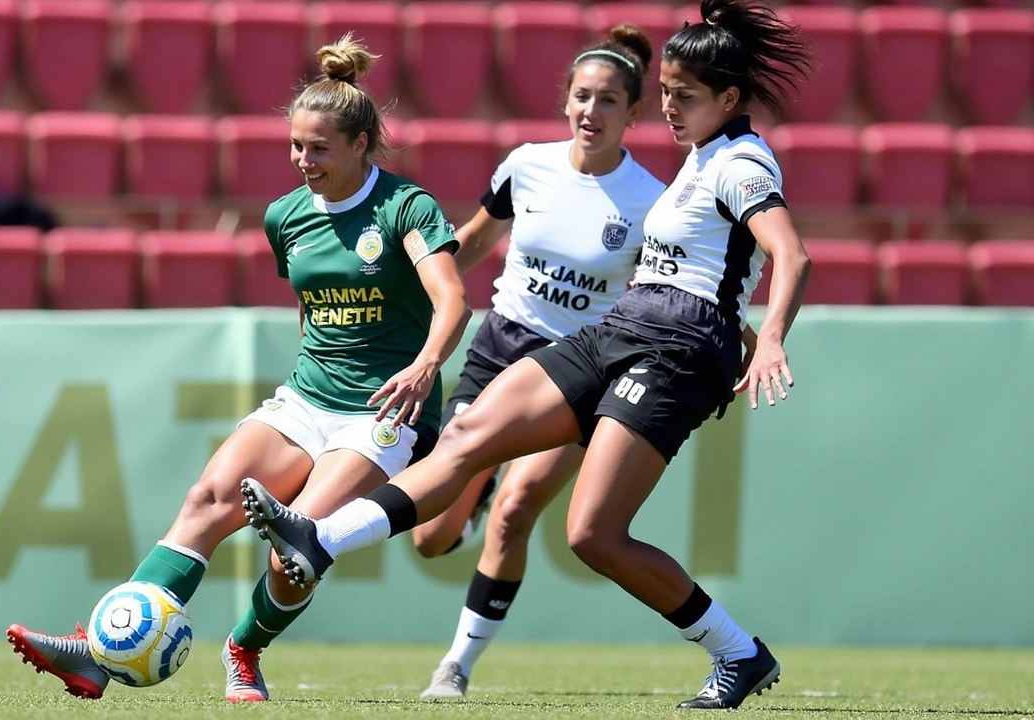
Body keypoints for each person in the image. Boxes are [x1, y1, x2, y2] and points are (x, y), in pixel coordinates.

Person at [240, 0, 813, 710]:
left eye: (682, 96)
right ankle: (318, 538)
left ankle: (738, 653)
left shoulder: (742, 161)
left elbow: (789, 252)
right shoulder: (694, 158)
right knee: (470, 437)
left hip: (678, 351)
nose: (667, 106)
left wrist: (770, 339)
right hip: (620, 328)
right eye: (664, 91)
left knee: (593, 536)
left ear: (729, 98)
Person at [4, 34, 470, 704]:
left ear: (361, 145)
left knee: (298, 548)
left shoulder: (405, 207)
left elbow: (452, 298)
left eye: (319, 148)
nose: (303, 160)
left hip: (383, 412)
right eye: (295, 146)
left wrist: (427, 365)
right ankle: (100, 657)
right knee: (204, 501)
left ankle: (244, 650)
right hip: (307, 401)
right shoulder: (285, 217)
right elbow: (314, 309)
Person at [403, 26, 668, 699]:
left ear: (632, 115)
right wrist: (409, 294)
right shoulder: (526, 166)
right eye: (582, 97)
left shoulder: (653, 203)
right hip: (500, 353)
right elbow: (470, 241)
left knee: (518, 509)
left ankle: (454, 668)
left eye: (609, 101)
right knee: (430, 539)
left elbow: (668, 293)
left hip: (579, 369)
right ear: (565, 102)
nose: (592, 111)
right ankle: (473, 485)